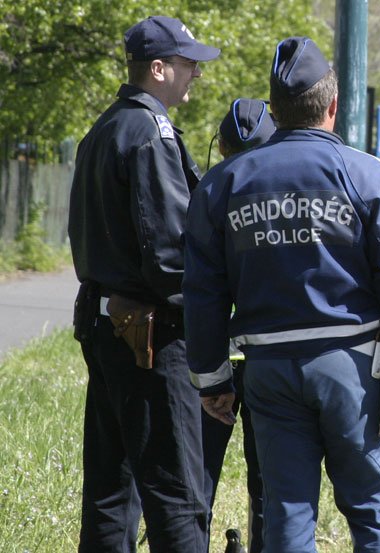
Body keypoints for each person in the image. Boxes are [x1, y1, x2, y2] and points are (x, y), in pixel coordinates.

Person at [183, 37, 380, 552]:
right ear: (332, 106)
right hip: (352, 369)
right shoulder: (371, 177)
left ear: (275, 112)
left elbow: (203, 290)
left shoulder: (221, 184)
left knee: (287, 516)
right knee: (374, 513)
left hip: (268, 371)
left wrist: (212, 378)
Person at [67, 15, 219, 552]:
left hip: (108, 323)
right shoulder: (150, 134)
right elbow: (171, 251)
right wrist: (215, 311)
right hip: (152, 340)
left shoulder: (104, 127)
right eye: (186, 65)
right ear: (158, 69)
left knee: (111, 490)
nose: (194, 75)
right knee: (177, 494)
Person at [200, 98, 276, 553]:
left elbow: (199, 290)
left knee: (196, 480)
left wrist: (209, 372)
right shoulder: (285, 195)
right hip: (269, 359)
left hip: (214, 362)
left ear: (221, 145)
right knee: (269, 483)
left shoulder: (209, 190)